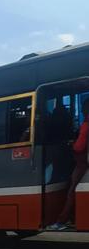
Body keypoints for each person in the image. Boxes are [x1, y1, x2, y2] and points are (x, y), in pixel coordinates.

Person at [47, 98, 89, 230]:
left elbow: (79, 147)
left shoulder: (86, 125)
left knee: (71, 191)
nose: (82, 109)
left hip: (82, 163)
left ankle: (61, 221)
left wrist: (72, 144)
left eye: (83, 107)